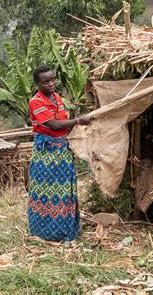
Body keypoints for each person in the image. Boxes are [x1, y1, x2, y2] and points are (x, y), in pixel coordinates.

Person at [28, 65, 92, 242]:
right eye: (45, 82)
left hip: (62, 151)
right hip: (46, 153)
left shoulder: (57, 98)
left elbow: (64, 124)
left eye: (52, 80)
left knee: (64, 190)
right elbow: (54, 125)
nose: (50, 84)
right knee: (44, 189)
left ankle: (64, 229)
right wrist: (79, 120)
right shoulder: (36, 102)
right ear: (37, 85)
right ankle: (44, 231)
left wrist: (78, 124)